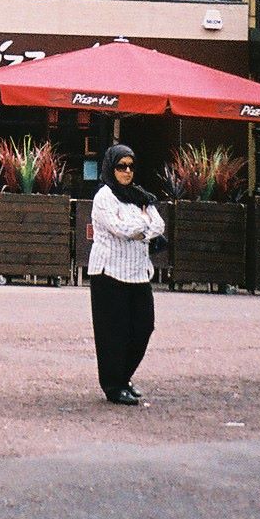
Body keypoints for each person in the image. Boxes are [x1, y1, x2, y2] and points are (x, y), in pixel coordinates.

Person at [87, 143, 164, 408]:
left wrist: (142, 225)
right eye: (121, 166)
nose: (127, 172)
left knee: (144, 327)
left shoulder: (140, 195)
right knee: (113, 332)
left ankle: (125, 376)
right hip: (109, 273)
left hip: (138, 273)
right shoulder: (104, 197)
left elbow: (160, 225)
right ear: (111, 168)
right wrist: (144, 224)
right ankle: (113, 385)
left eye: (131, 166)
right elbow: (120, 228)